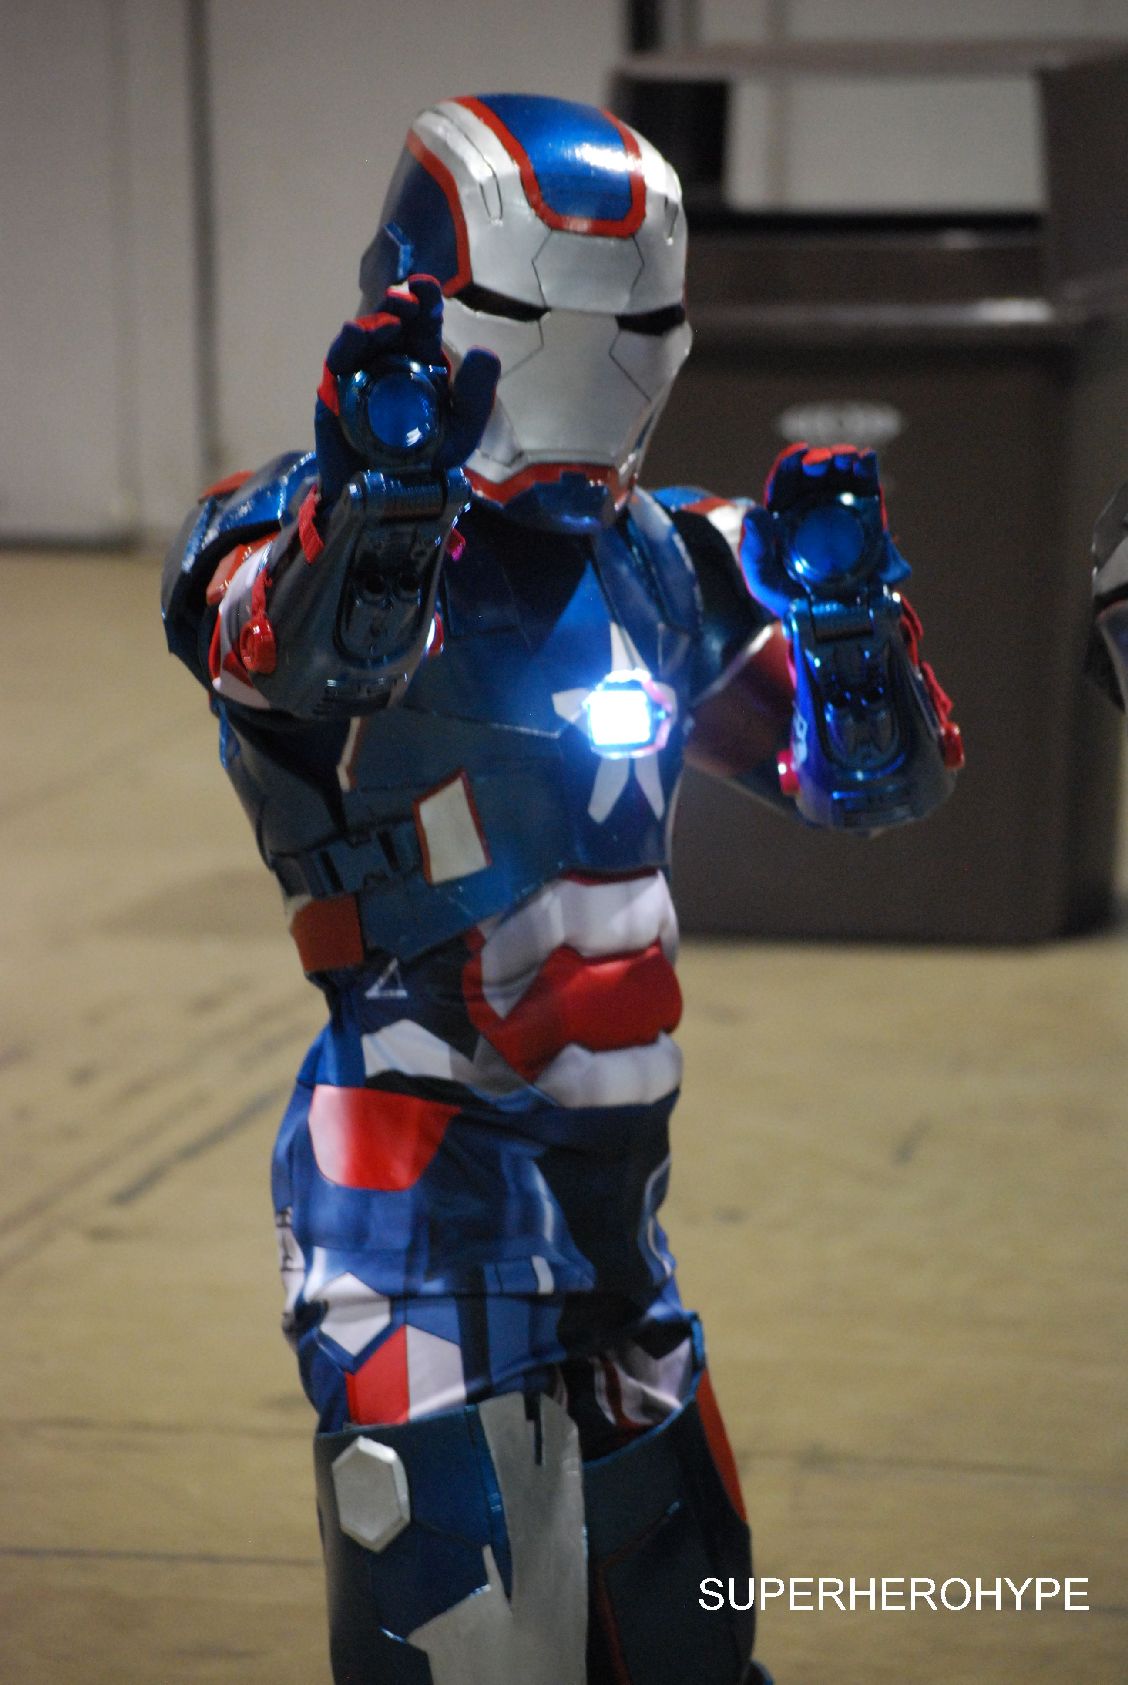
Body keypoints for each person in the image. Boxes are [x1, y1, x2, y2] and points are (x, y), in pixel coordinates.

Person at [163, 92, 962, 1685]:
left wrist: (849, 623)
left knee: (692, 1643)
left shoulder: (662, 559)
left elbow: (870, 783)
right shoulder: (268, 534)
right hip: (418, 1202)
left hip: (614, 1226)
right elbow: (296, 650)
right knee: (476, 1652)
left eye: (630, 331)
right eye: (546, 324)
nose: (587, 374)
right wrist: (378, 502)